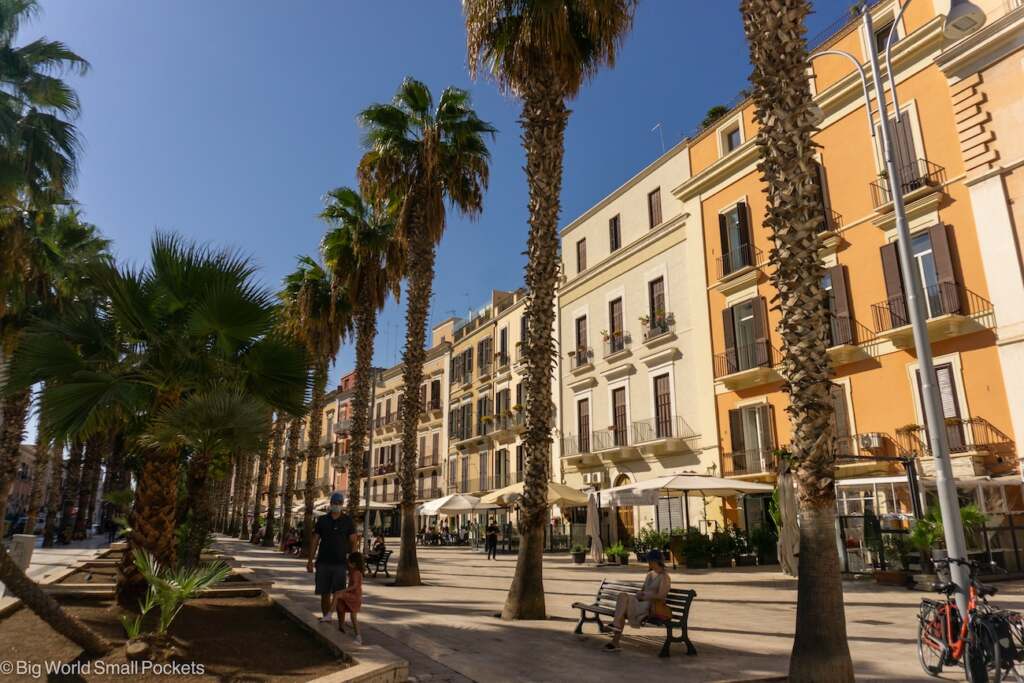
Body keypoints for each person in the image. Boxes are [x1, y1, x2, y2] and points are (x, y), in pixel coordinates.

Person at [604, 549, 672, 652]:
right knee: (622, 596)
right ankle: (616, 625)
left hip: (650, 606)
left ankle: (615, 642)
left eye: (649, 560)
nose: (648, 563)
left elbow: (661, 596)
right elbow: (643, 590)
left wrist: (646, 595)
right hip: (641, 602)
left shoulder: (664, 577)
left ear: (655, 561)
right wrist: (640, 594)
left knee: (621, 611)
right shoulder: (650, 574)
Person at [308, 492, 357, 624]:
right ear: (331, 504)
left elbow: (353, 541)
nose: (337, 505)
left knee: (339, 595)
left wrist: (353, 562)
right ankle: (326, 618)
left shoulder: (348, 521)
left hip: (340, 564)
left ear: (342, 505)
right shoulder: (322, 520)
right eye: (335, 503)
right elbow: (315, 541)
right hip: (323, 562)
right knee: (325, 594)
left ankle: (341, 623)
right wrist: (310, 561)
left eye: (339, 503)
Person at [335, 551, 365, 644]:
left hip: (354, 597)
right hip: (354, 596)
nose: (347, 564)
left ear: (354, 564)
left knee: (338, 595)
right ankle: (358, 637)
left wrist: (344, 590)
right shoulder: (355, 572)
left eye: (349, 562)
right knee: (352, 617)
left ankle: (329, 614)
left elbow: (355, 586)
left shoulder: (356, 573)